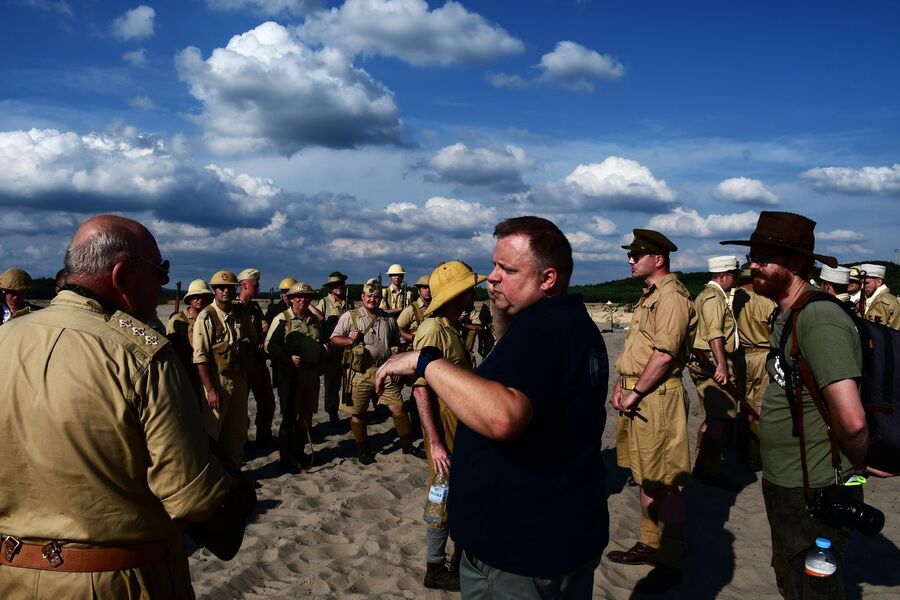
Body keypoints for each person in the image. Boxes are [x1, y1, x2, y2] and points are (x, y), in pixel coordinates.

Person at [0, 215, 235, 598]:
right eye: (160, 273)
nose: (161, 285)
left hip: (12, 577)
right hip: (117, 580)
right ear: (123, 275)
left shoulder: (4, 338)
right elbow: (193, 500)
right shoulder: (144, 356)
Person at [376, 216, 609, 599]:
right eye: (494, 265)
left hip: (519, 555)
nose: (492, 277)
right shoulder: (571, 323)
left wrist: (424, 363)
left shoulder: (542, 332)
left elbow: (504, 417)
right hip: (561, 534)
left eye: (507, 268)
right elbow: (512, 360)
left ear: (547, 279)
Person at [721, 211, 876, 600]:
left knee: (814, 589)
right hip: (790, 481)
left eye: (763, 256)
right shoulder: (787, 314)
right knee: (792, 579)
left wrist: (854, 467)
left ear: (795, 263)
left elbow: (853, 422)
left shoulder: (819, 319)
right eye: (752, 254)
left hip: (816, 487)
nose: (751, 264)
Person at [608, 229, 697, 594]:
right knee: (646, 475)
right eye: (631, 254)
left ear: (658, 259)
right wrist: (621, 384)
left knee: (666, 483)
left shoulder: (672, 298)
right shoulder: (649, 296)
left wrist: (637, 391)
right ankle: (649, 542)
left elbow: (663, 355)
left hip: (656, 398)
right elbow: (638, 349)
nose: (631, 260)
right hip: (638, 394)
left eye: (637, 254)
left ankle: (670, 561)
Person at [411, 261, 486, 591]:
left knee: (457, 489)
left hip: (459, 422)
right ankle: (435, 566)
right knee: (440, 492)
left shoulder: (453, 326)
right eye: (469, 287)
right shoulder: (432, 331)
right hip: (442, 424)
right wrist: (435, 441)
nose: (474, 291)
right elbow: (420, 387)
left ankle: (457, 559)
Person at [330, 279, 424, 464]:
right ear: (362, 297)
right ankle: (363, 449)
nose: (372, 299)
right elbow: (334, 340)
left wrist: (397, 367)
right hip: (360, 373)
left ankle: (407, 445)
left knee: (398, 407)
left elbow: (399, 344)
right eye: (369, 296)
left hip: (385, 371)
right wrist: (349, 340)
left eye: (376, 296)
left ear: (381, 298)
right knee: (359, 413)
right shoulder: (351, 316)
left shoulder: (389, 319)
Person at [688, 255, 741, 481]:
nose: (735, 280)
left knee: (714, 417)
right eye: (733, 275)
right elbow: (714, 333)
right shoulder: (713, 298)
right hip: (710, 362)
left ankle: (705, 465)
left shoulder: (712, 296)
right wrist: (721, 364)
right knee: (720, 418)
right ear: (723, 276)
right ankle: (708, 470)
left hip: (708, 361)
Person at [266, 282, 327, 474]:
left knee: (306, 418)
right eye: (298, 297)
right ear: (291, 299)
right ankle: (287, 459)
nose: (303, 300)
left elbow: (319, 340)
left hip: (311, 376)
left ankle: (300, 453)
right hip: (290, 377)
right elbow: (271, 347)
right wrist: (288, 358)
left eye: (307, 297)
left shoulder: (313, 320)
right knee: (290, 419)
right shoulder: (282, 319)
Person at [193, 270, 252, 468]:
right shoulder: (206, 317)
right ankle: (213, 476)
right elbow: (200, 358)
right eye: (221, 288)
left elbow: (251, 339)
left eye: (229, 287)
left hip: (239, 378)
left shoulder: (239, 313)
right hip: (218, 380)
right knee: (213, 432)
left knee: (237, 431)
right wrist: (210, 390)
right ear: (214, 290)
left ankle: (234, 472)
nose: (225, 291)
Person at [732, 263, 777, 471]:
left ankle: (740, 448)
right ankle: (755, 454)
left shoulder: (732, 300)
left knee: (743, 403)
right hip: (762, 353)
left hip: (739, 355)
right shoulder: (767, 302)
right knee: (759, 407)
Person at [236, 268, 277, 448]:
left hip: (258, 361)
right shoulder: (234, 307)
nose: (258, 287)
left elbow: (264, 328)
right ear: (244, 285)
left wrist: (260, 339)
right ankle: (240, 441)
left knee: (267, 402)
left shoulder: (254, 307)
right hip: (242, 364)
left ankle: (264, 436)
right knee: (239, 407)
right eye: (256, 284)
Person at [166, 278, 214, 405]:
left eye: (203, 296)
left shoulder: (211, 319)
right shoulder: (177, 320)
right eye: (195, 296)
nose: (199, 300)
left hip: (208, 371)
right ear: (190, 299)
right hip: (186, 372)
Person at [316, 271, 354, 426]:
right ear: (330, 288)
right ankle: (332, 414)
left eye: (341, 284)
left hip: (348, 347)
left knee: (349, 381)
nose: (339, 287)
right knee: (332, 384)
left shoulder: (348, 302)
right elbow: (318, 325)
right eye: (335, 285)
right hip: (332, 350)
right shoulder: (324, 303)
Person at [858, 263, 900, 329]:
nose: (862, 287)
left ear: (879, 282)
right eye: (861, 283)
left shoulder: (886, 302)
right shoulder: (865, 299)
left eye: (866, 283)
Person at [397, 275, 431, 345]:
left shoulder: (436, 308)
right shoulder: (411, 309)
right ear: (418, 291)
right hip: (416, 347)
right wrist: (412, 337)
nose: (428, 290)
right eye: (424, 288)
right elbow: (397, 329)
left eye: (430, 287)